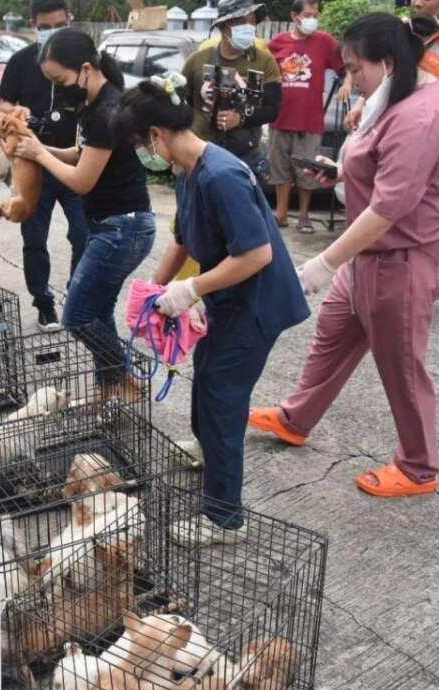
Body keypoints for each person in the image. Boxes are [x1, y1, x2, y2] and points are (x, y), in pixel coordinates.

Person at [249, 13, 439, 498]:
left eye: (355, 69)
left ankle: (418, 467)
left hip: (406, 256)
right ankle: (295, 417)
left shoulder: (423, 115)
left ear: (388, 63)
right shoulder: (391, 95)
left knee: (401, 364)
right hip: (371, 254)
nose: (350, 80)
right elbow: (378, 164)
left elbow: (390, 206)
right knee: (332, 330)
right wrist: (341, 172)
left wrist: (323, 264)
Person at [113, 73, 307, 544]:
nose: (144, 154)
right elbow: (183, 238)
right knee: (209, 376)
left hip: (257, 306)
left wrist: (189, 290)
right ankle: (208, 451)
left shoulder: (221, 175)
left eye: (141, 144)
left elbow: (257, 254)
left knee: (222, 396)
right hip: (228, 301)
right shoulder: (187, 171)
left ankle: (224, 517)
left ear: (155, 135)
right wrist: (152, 291)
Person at [13, 29, 152, 400]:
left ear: (86, 68)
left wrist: (41, 156)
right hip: (115, 224)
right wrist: (40, 147)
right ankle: (108, 388)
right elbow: (82, 156)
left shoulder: (106, 110)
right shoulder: (95, 104)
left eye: (60, 80)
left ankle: (128, 379)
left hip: (123, 228)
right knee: (99, 312)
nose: (58, 90)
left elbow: (83, 180)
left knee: (75, 316)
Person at [0, 0, 88, 331]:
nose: (52, 33)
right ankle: (44, 303)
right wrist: (16, 113)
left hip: (75, 160)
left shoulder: (83, 62)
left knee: (84, 234)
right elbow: (5, 100)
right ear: (33, 24)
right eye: (45, 27)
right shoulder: (21, 61)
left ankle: (77, 296)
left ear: (69, 21)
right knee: (34, 238)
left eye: (59, 25)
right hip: (33, 164)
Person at [345, 0, 439, 138]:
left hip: (427, 137)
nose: (417, 3)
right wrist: (362, 105)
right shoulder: (407, 29)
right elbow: (383, 72)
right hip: (393, 130)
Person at [268, 0, 348, 233]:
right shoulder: (277, 43)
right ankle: (281, 214)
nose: (312, 19)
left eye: (315, 15)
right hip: (281, 117)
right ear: (295, 16)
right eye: (307, 14)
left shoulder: (324, 41)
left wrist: (348, 82)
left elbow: (346, 67)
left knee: (307, 173)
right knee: (280, 169)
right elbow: (264, 72)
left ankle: (304, 216)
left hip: (310, 119)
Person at [180, 0, 282, 183]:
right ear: (223, 27)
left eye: (252, 21)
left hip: (246, 157)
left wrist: (240, 119)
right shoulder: (197, 61)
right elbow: (184, 103)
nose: (249, 27)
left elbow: (272, 109)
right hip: (201, 154)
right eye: (242, 21)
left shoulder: (263, 61)